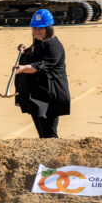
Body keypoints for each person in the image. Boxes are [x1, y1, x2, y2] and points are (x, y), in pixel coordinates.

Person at [12, 9, 71, 139]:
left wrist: (22, 68)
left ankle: (55, 159)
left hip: (49, 96)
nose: (37, 31)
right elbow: (36, 52)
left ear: (49, 28)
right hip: (38, 95)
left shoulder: (53, 46)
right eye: (35, 28)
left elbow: (41, 66)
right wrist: (26, 48)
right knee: (42, 133)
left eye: (41, 28)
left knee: (49, 134)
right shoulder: (41, 41)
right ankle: (45, 159)